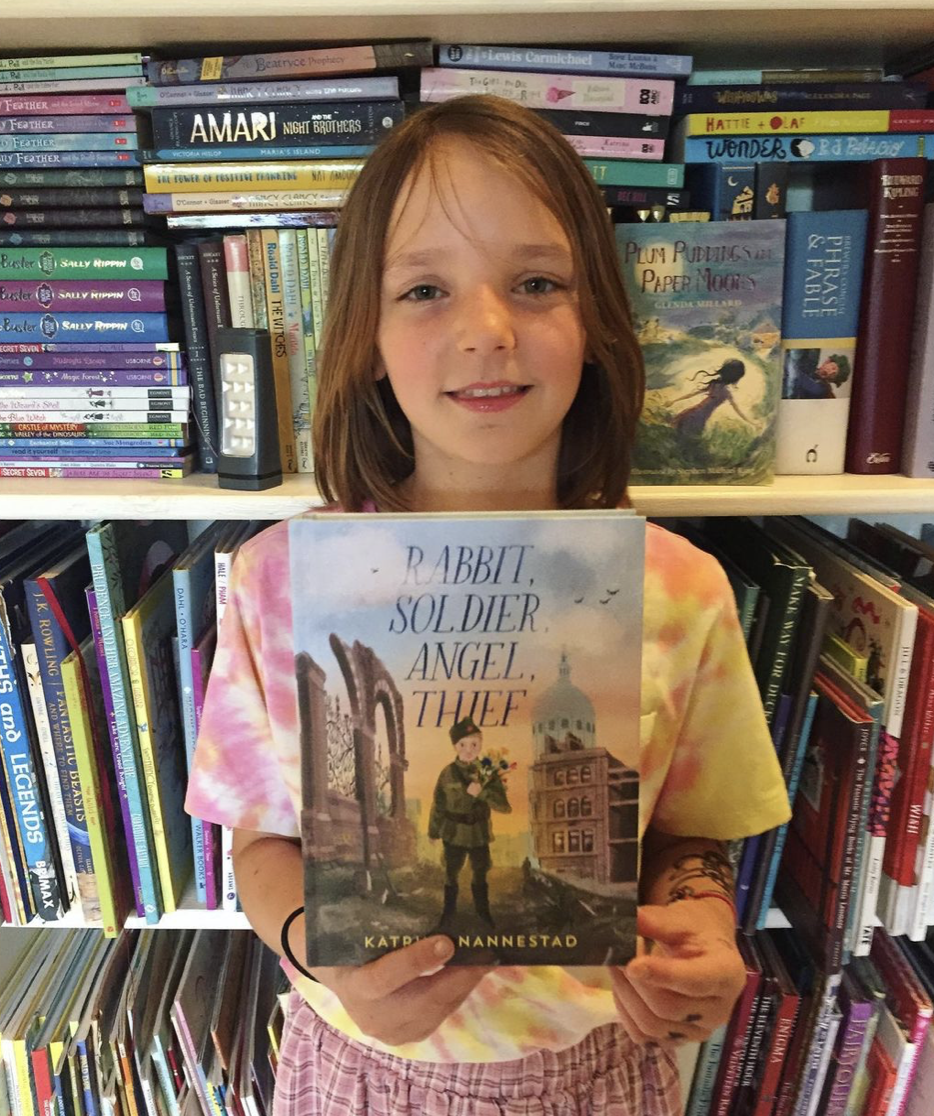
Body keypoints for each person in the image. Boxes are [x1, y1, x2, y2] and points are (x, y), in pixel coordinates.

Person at [185, 93, 791, 1116]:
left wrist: (701, 923)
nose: (488, 329)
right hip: (355, 1078)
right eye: (424, 289)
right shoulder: (280, 581)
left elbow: (690, 834)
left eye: (538, 282)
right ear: (365, 336)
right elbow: (258, 844)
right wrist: (322, 956)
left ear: (595, 319)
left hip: (594, 1076)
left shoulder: (680, 591)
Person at [428, 715, 512, 929]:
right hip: (453, 832)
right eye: (463, 744)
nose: (469, 749)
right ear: (455, 746)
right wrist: (433, 831)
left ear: (480, 745)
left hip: (478, 833)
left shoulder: (488, 773)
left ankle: (483, 914)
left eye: (474, 744)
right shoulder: (447, 774)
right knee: (451, 872)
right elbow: (438, 803)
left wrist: (482, 793)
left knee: (480, 872)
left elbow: (504, 806)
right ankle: (448, 915)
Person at [668, 358, 757, 437]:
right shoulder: (726, 393)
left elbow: (694, 393)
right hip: (700, 416)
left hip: (695, 411)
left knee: (679, 432)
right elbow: (738, 411)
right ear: (735, 378)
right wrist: (752, 422)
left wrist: (674, 400)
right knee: (686, 436)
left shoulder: (715, 384)